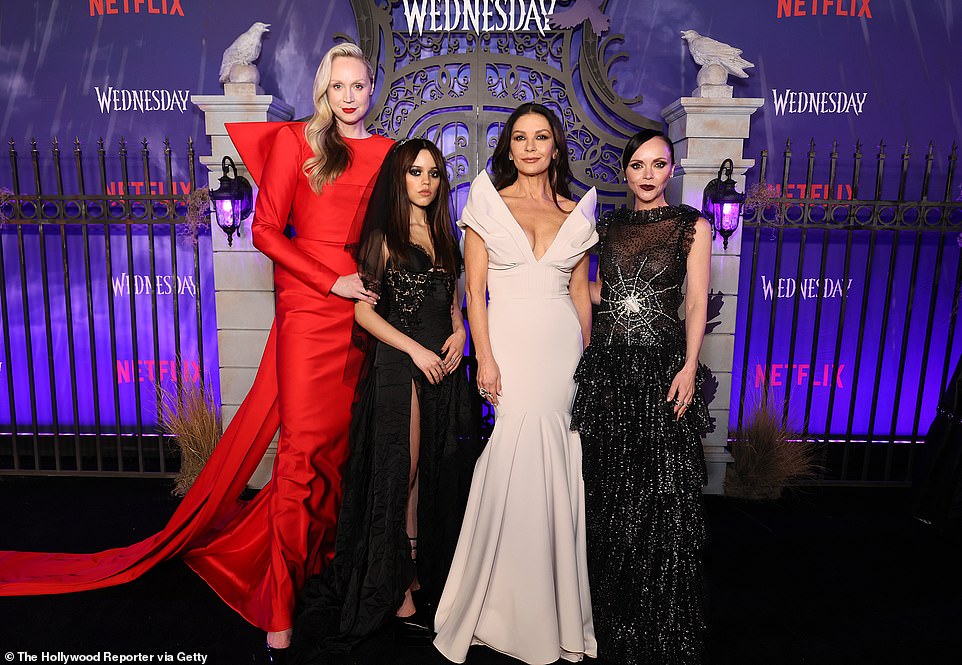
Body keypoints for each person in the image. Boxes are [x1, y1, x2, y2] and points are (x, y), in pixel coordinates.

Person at [0, 43, 393, 660]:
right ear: (324, 91)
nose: (349, 95)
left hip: (361, 318)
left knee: (337, 456)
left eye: (358, 84)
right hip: (309, 313)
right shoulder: (298, 144)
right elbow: (265, 232)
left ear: (372, 88)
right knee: (299, 455)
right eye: (337, 85)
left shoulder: (388, 154)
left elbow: (397, 230)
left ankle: (322, 566)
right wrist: (328, 281)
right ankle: (279, 602)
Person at [288, 138, 477, 662]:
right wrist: (416, 351)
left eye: (434, 174)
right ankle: (393, 590)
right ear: (399, 178)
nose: (426, 182)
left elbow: (453, 297)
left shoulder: (444, 233)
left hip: (443, 363)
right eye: (416, 172)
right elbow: (364, 315)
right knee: (404, 472)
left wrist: (460, 330)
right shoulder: (384, 236)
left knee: (430, 474)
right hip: (401, 365)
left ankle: (411, 575)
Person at [432, 102, 598, 665]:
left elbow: (579, 292)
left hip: (560, 350)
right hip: (509, 348)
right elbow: (473, 292)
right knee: (511, 453)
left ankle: (552, 609)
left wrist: (587, 357)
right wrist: (486, 358)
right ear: (508, 147)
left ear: (555, 147)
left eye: (541, 137)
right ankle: (496, 605)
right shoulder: (487, 205)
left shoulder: (576, 214)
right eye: (520, 138)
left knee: (555, 459)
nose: (530, 147)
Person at [571, 128, 713, 665]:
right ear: (625, 172)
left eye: (658, 165)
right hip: (610, 370)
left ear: (671, 171)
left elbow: (696, 300)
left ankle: (660, 620)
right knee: (610, 495)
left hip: (661, 372)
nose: (648, 174)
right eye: (638, 165)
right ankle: (612, 617)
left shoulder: (690, 226)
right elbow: (594, 292)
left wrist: (690, 365)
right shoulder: (605, 229)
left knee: (663, 497)